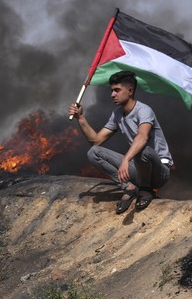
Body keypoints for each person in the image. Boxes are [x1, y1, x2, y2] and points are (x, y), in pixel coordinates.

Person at [68, 70, 174, 213]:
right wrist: (81, 118)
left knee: (142, 150)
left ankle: (147, 190)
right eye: (112, 91)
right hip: (139, 169)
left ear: (130, 91)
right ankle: (129, 188)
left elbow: (142, 137)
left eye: (117, 90)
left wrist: (126, 160)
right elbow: (96, 141)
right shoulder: (117, 114)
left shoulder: (144, 110)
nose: (113, 95)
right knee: (93, 152)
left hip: (159, 172)